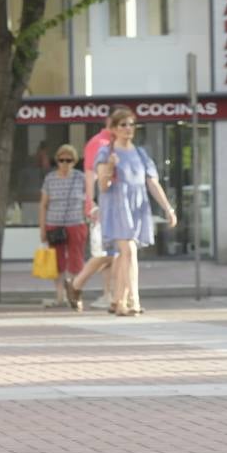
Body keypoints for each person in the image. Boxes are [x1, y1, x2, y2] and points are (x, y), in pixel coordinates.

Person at [92, 108, 177, 316]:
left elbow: (152, 183)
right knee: (129, 251)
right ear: (113, 129)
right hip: (117, 206)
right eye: (123, 125)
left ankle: (121, 300)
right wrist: (111, 168)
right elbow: (103, 186)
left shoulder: (140, 153)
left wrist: (168, 208)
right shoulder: (106, 153)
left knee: (127, 255)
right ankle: (129, 301)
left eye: (131, 124)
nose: (128, 129)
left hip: (138, 207)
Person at [66, 110, 124, 311]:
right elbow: (91, 175)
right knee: (109, 252)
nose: (126, 127)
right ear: (110, 122)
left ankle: (110, 295)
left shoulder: (117, 144)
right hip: (103, 206)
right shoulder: (99, 143)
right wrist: (91, 204)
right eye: (121, 123)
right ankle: (76, 283)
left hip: (116, 205)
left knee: (115, 253)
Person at [39, 143, 86, 308]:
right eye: (61, 160)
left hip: (76, 223)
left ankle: (73, 291)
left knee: (76, 260)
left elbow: (87, 201)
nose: (65, 164)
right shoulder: (50, 178)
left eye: (69, 160)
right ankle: (60, 296)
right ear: (57, 160)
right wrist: (42, 227)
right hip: (54, 223)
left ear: (74, 161)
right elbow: (43, 204)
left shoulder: (80, 177)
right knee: (57, 262)